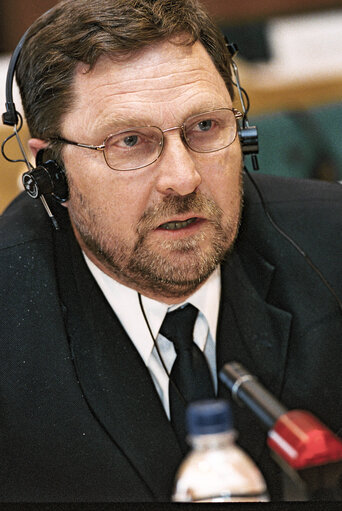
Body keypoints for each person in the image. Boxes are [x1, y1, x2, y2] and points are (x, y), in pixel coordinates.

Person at [0, 0, 342, 502]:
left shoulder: (332, 247)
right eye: (131, 141)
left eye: (205, 127)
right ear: (51, 171)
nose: (183, 179)